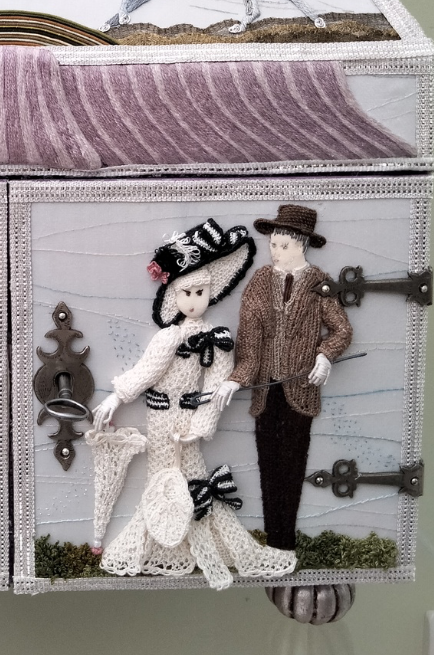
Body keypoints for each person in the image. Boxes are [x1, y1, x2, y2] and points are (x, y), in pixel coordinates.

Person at [92, 219, 297, 589]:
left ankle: (199, 540)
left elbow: (217, 385)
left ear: (210, 292)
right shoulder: (168, 337)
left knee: (192, 476)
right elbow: (145, 373)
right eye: (186, 293)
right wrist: (116, 397)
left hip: (187, 420)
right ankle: (159, 544)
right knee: (160, 477)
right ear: (174, 295)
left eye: (200, 292)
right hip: (160, 418)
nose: (193, 301)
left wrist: (203, 423)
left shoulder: (216, 338)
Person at [213, 204, 353, 551]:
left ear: (302, 244)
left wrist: (325, 355)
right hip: (265, 393)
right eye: (273, 244)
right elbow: (249, 342)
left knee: (292, 464)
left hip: (301, 390)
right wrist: (236, 379)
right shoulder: (260, 282)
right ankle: (272, 541)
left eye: (283, 245)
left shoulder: (319, 282)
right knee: (268, 465)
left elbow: (342, 329)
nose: (275, 251)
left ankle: (285, 542)